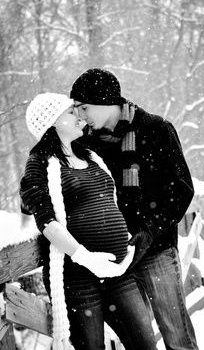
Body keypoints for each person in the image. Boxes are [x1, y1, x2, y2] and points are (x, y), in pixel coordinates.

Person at [70, 68, 199, 350]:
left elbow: (182, 189)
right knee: (139, 342)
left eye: (83, 107)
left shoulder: (155, 129)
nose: (79, 114)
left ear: (104, 101)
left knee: (176, 335)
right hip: (117, 256)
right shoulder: (83, 143)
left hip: (156, 250)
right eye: (76, 109)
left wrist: (150, 232)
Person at [19, 93, 157, 350]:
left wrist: (125, 243)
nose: (79, 116)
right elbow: (46, 221)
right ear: (52, 122)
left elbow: (109, 202)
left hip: (118, 271)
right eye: (71, 112)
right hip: (79, 277)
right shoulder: (38, 164)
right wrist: (86, 257)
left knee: (146, 344)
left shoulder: (92, 156)